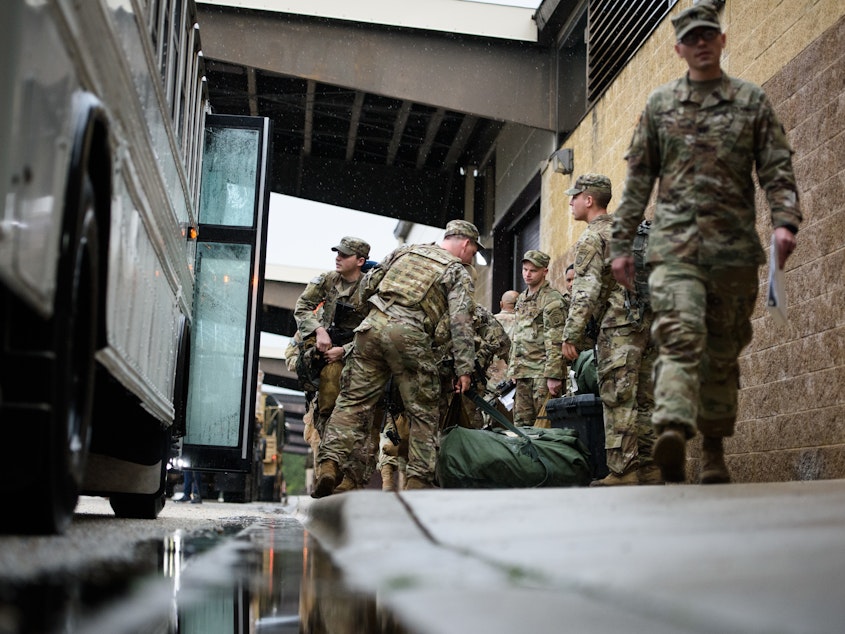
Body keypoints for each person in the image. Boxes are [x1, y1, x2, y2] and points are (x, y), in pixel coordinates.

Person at [610, 1, 801, 484]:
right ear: (678, 48)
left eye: (707, 35)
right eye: (690, 38)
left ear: (721, 40)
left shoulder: (751, 101)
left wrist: (785, 222)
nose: (699, 44)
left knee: (722, 350)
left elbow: (776, 168)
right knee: (679, 334)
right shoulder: (659, 105)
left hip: (733, 253)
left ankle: (713, 452)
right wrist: (620, 243)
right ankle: (673, 428)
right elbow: (637, 181)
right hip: (675, 250)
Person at [312, 220, 480, 496]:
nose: (471, 258)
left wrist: (377, 317)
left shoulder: (405, 251)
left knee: (352, 402)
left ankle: (330, 465)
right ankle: (418, 479)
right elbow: (461, 323)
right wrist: (465, 368)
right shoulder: (455, 271)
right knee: (423, 409)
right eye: (473, 252)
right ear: (465, 244)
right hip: (409, 334)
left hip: (371, 328)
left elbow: (367, 287)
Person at [562, 173, 658, 486]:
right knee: (645, 399)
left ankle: (623, 472)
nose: (571, 202)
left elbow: (585, 293)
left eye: (575, 196)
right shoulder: (632, 230)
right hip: (650, 324)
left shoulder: (593, 237)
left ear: (589, 199)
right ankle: (651, 468)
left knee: (618, 397)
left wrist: (571, 335)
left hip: (619, 328)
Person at [507, 250, 566, 427]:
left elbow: (555, 340)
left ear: (544, 271)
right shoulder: (522, 299)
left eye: (533, 270)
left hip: (542, 374)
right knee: (522, 426)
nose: (527, 274)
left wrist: (554, 375)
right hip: (523, 373)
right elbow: (517, 336)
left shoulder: (552, 299)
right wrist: (513, 368)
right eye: (525, 269)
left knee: (545, 426)